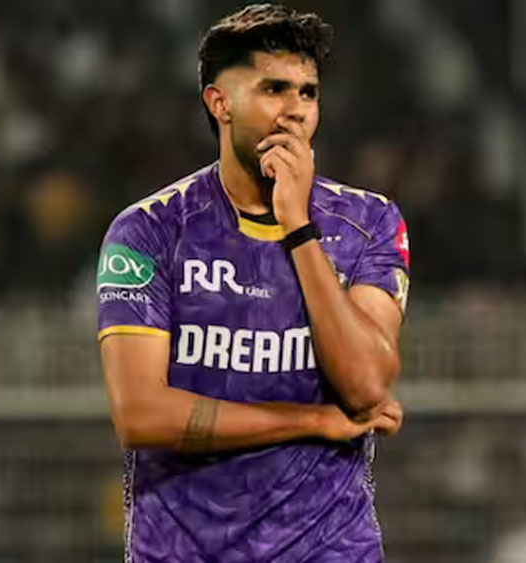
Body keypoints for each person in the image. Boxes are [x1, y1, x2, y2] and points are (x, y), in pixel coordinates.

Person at [97, 4, 410, 561]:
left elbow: (367, 388)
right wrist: (313, 421)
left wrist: (298, 227)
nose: (295, 111)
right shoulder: (150, 230)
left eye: (308, 93)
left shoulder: (369, 223)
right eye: (273, 89)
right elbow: (141, 415)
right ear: (220, 103)